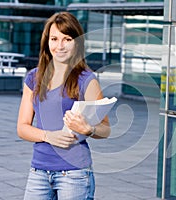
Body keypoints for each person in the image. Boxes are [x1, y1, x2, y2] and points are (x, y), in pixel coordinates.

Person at [17, 11, 111, 200]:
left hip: (74, 175)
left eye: (67, 39)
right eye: (54, 39)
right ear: (47, 42)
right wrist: (47, 135)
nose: (59, 46)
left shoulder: (87, 80)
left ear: (76, 43)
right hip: (39, 172)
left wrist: (89, 129)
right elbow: (22, 127)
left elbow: (106, 129)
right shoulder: (33, 78)